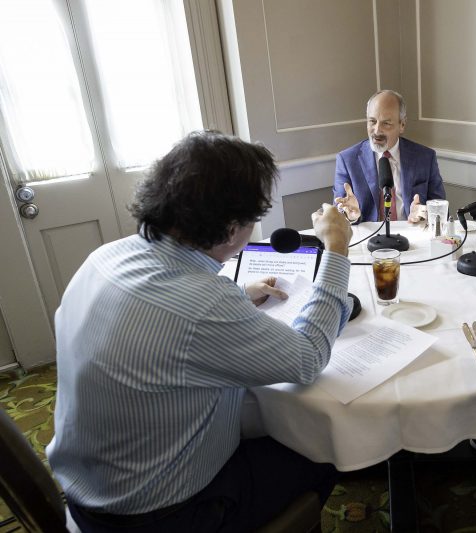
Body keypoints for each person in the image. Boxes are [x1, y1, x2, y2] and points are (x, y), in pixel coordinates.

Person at [46, 130, 354, 532]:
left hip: (88, 489)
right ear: (231, 229)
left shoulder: (105, 257)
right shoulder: (203, 303)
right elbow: (308, 357)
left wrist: (241, 296)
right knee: (322, 444)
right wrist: (336, 250)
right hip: (160, 515)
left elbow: (165, 323)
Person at [333, 89, 446, 223]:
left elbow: (441, 211)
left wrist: (425, 216)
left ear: (402, 125)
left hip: (411, 235)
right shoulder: (347, 160)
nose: (377, 131)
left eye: (386, 123)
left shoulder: (425, 157)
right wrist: (350, 216)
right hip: (368, 238)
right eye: (372, 121)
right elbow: (338, 214)